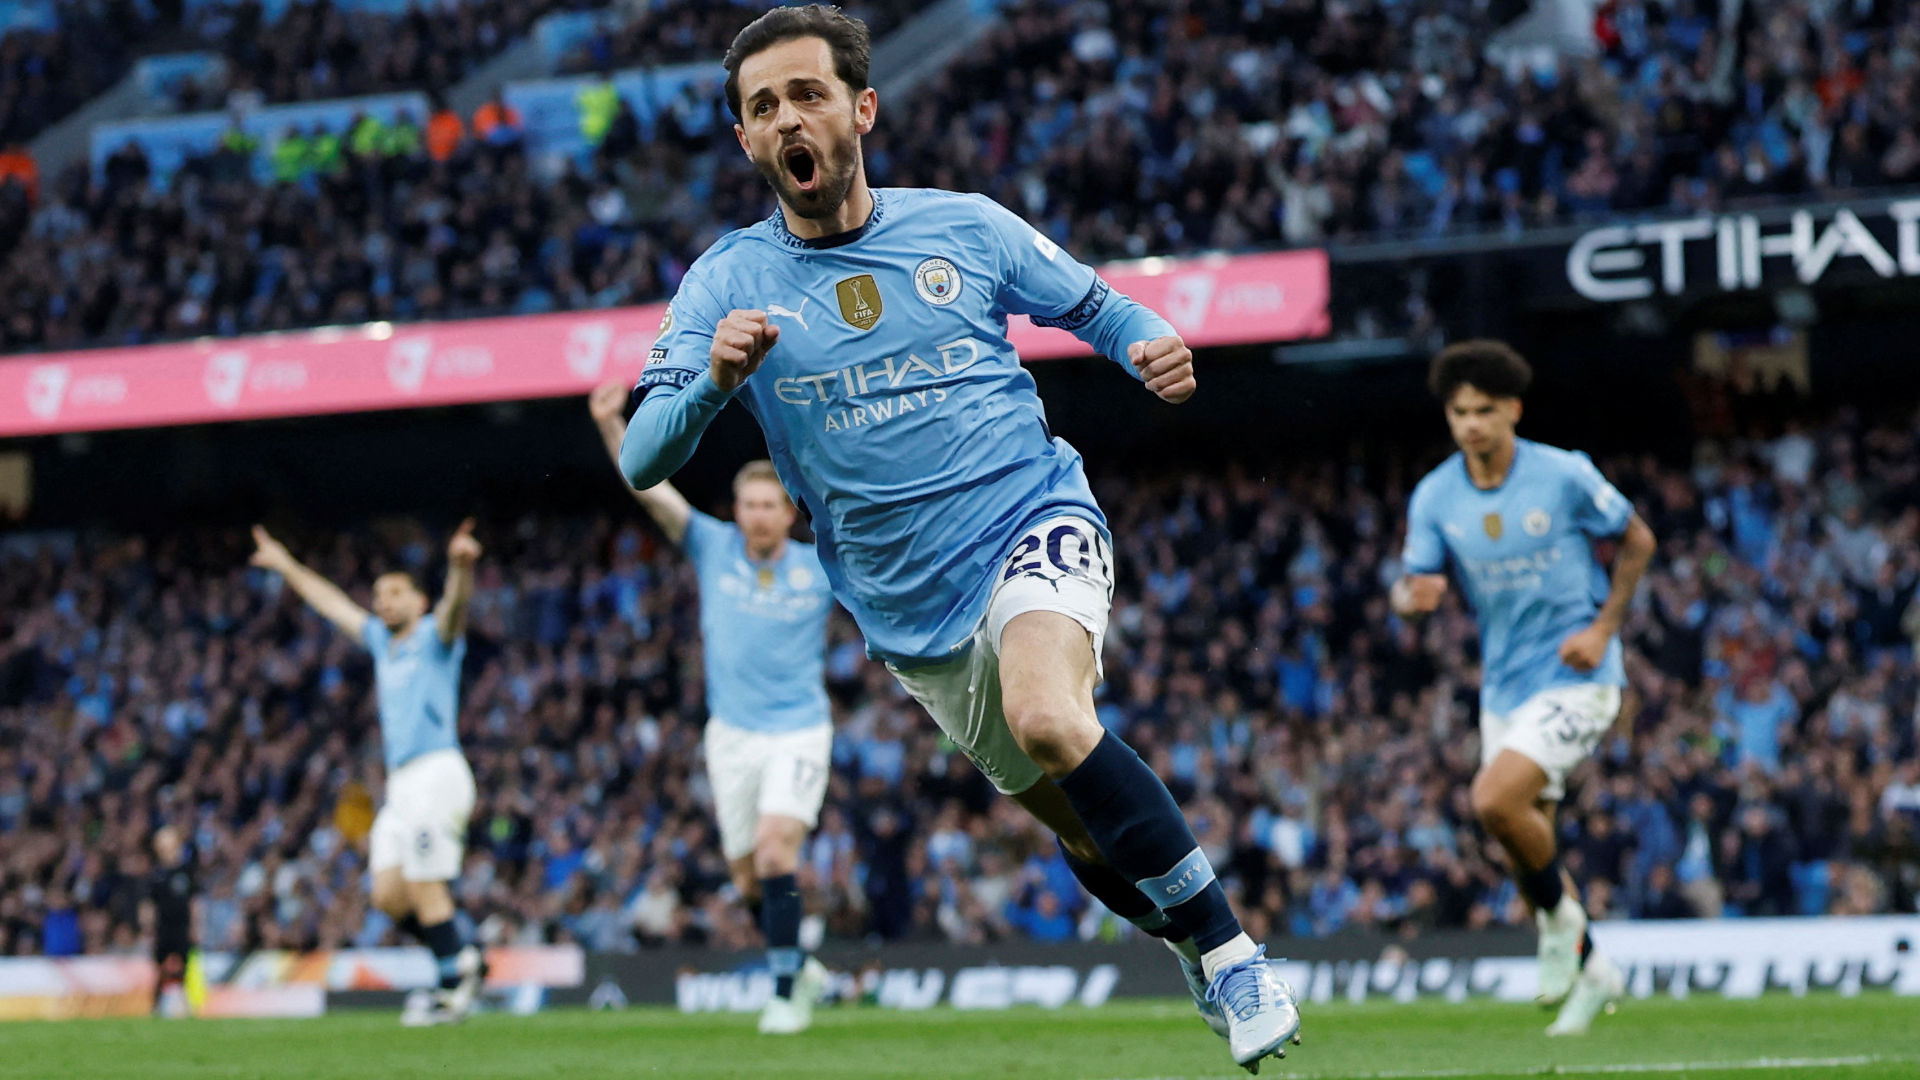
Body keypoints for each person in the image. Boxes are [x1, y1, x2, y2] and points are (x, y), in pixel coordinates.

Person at [615, 6, 1300, 1070]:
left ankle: (1231, 952)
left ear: (861, 109)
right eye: (764, 106)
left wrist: (1147, 341)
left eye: (808, 94)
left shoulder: (965, 227)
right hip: (909, 615)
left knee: (1048, 715)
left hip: (1030, 518)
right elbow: (641, 456)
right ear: (744, 138)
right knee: (1082, 832)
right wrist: (711, 381)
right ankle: (1189, 944)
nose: (789, 118)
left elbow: (1097, 306)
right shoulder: (724, 283)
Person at [1390, 340, 1657, 1036]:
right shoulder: (1436, 495)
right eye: (1459, 413)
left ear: (1512, 409)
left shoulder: (1563, 474)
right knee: (1519, 836)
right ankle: (1594, 971)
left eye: (1484, 410)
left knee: (1492, 800)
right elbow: (1410, 587)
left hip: (1578, 673)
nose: (1471, 424)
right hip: (1504, 685)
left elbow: (1638, 540)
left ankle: (1559, 929)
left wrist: (1604, 628)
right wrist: (1409, 600)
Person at [589, 382, 835, 1034]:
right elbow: (650, 491)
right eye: (749, 505)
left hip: (798, 730)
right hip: (731, 736)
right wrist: (611, 424)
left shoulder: (819, 568)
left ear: (788, 511)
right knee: (749, 879)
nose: (758, 515)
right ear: (737, 509)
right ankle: (797, 961)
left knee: (776, 853)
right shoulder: (712, 545)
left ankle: (785, 993)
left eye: (770, 505)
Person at [249, 520, 486, 1026]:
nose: (384, 602)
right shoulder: (382, 641)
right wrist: (286, 564)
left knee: (425, 884)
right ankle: (462, 956)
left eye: (396, 593)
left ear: (420, 602)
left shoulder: (434, 637)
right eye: (379, 595)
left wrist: (460, 567)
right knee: (387, 894)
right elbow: (331, 603)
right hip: (400, 783)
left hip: (436, 771)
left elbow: (456, 608)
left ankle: (452, 990)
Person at [141, 826, 199, 1018]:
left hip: (182, 926)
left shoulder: (186, 872)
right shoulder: (156, 875)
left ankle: (188, 1002)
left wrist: (195, 926)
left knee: (186, 966)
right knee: (161, 968)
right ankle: (156, 1004)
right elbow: (149, 904)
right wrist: (148, 929)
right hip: (163, 927)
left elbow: (194, 902)